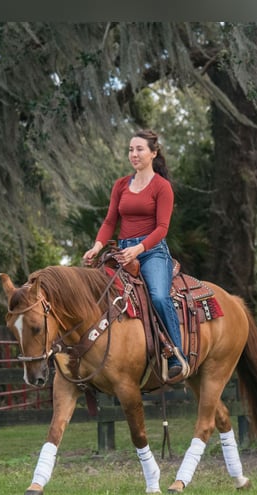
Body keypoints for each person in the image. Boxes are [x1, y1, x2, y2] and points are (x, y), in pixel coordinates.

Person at [83, 129, 189, 383]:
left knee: (159, 297)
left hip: (152, 253)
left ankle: (177, 356)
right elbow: (110, 221)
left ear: (153, 153)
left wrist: (139, 248)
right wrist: (97, 247)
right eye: (131, 149)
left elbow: (162, 229)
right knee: (95, 292)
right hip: (121, 253)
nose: (134, 154)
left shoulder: (162, 187)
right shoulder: (121, 185)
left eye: (140, 149)